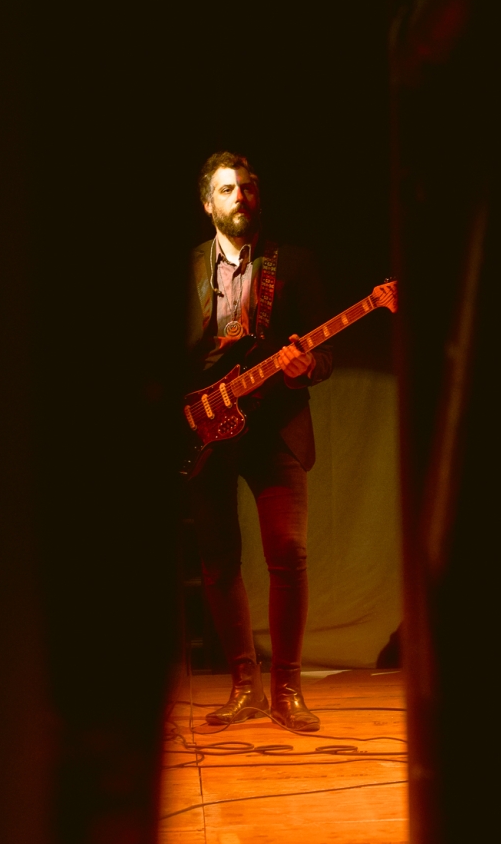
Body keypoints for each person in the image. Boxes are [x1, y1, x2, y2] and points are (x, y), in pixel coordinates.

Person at [186, 151, 333, 731]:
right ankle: (244, 687)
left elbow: (324, 354)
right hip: (206, 428)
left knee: (288, 555)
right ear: (207, 204)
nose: (239, 197)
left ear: (259, 197)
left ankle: (287, 691)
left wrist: (305, 366)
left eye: (247, 188)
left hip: (275, 427)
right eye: (227, 189)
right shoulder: (187, 268)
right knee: (218, 562)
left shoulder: (292, 264)